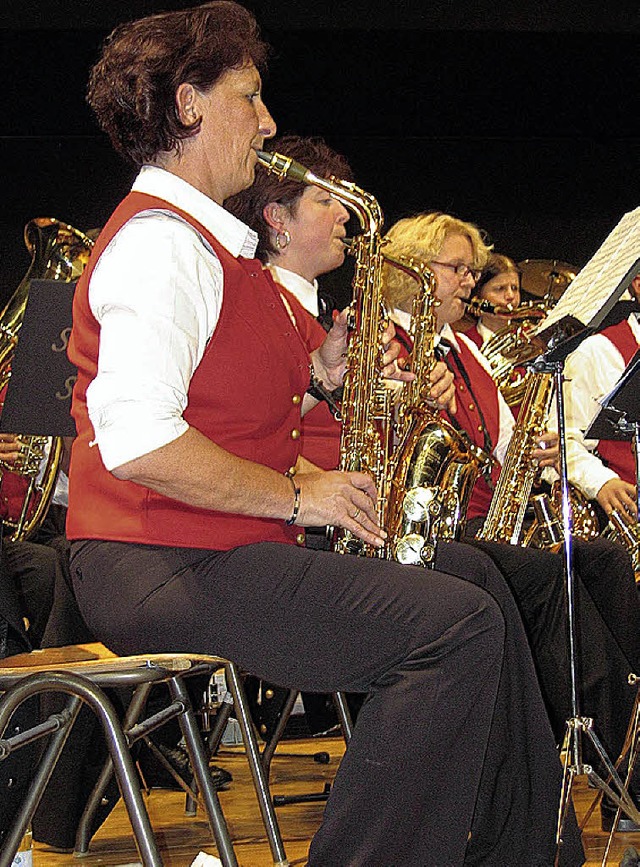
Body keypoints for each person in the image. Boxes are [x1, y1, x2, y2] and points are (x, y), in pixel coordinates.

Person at [64, 4, 585, 865]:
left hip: (212, 547)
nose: (267, 123)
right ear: (190, 105)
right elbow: (141, 441)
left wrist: (320, 376)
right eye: (251, 98)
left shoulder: (211, 249)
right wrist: (303, 493)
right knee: (449, 626)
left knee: (476, 586)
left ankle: (531, 850)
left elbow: (221, 404)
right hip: (154, 561)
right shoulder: (161, 246)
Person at [382, 210, 640, 830]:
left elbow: (509, 445)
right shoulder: (385, 346)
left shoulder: (463, 346)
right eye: (456, 269)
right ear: (410, 270)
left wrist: (545, 453)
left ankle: (624, 765)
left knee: (602, 560)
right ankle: (616, 758)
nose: (469, 282)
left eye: (472, 270)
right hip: (423, 532)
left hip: (482, 528)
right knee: (547, 580)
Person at [557, 272, 640, 522]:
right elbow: (562, 443)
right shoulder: (596, 352)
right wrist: (601, 482)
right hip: (628, 519)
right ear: (637, 282)